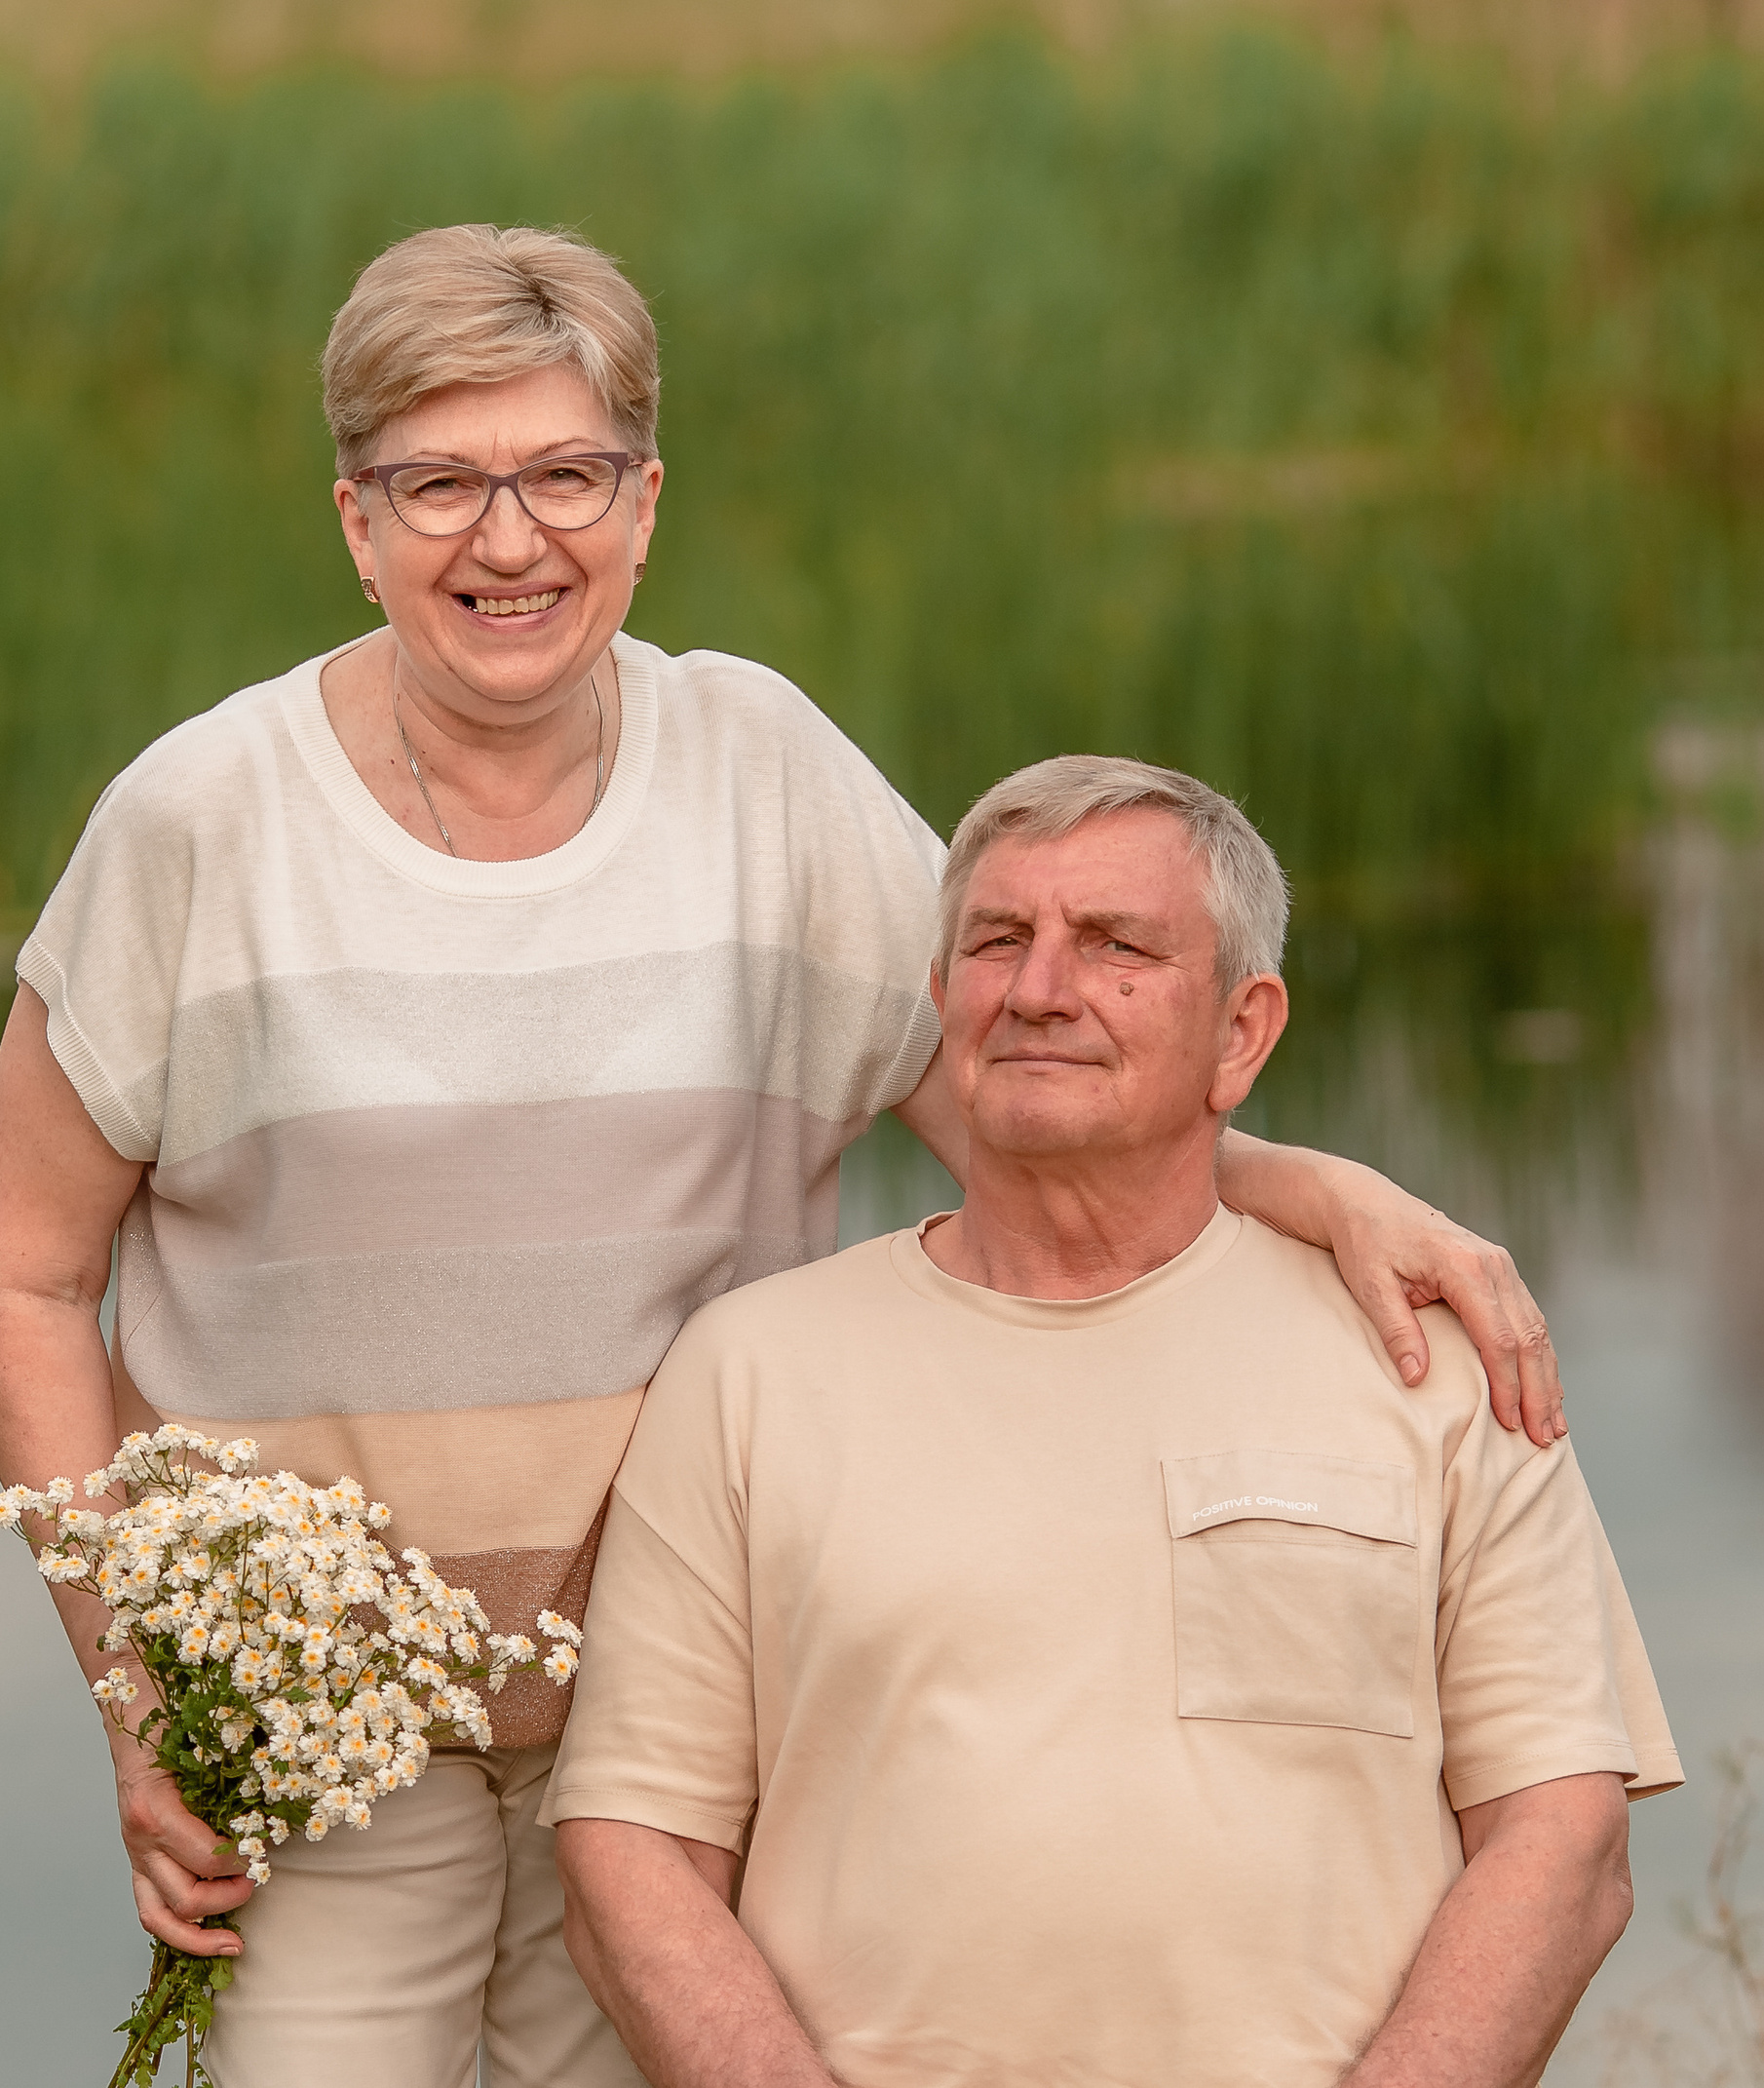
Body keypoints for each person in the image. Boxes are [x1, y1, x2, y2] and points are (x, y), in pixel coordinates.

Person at [0, 227, 1564, 2088]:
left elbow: (1031, 1099)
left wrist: (1314, 1186)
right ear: (354, 518)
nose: (508, 538)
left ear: (646, 501)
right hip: (320, 1728)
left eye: (564, 475)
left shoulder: (763, 771)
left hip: (682, 1721)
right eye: (440, 483)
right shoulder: (197, 821)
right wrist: (137, 1679)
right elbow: (27, 1270)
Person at [550, 754, 1679, 2088]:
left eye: (1115, 945)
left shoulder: (1432, 1359)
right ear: (941, 1000)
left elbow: (1563, 1837)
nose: (1039, 989)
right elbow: (632, 1853)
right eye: (997, 940)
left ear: (1243, 1031)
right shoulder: (749, 1371)